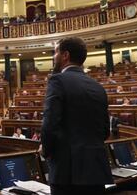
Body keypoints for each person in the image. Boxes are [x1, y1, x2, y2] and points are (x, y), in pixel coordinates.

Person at [41, 37, 113, 195]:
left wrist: (45, 151)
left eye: (55, 52)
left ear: (65, 55)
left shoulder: (57, 80)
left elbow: (49, 124)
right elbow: (104, 131)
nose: (54, 57)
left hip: (67, 172)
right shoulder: (98, 87)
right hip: (96, 170)